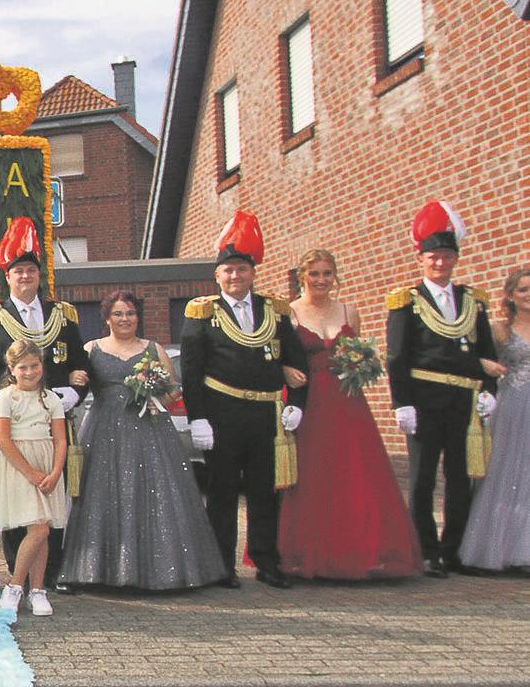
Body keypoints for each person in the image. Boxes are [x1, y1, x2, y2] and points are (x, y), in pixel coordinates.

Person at [56, 291, 226, 590]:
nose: (125, 319)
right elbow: (77, 381)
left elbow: (174, 390)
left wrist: (154, 394)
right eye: (118, 314)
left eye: (131, 313)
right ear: (107, 318)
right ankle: (98, 571)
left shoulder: (153, 348)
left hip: (150, 429)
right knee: (99, 496)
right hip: (103, 430)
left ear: (138, 317)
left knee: (158, 494)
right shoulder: (92, 348)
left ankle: (162, 569)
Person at [182, 211, 308, 590]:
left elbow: (298, 364)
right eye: (228, 271)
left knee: (264, 493)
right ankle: (222, 566)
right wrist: (197, 418)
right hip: (223, 415)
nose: (235, 277)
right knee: (221, 494)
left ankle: (267, 563)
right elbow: (191, 371)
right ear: (216, 276)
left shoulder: (275, 313)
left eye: (241, 270)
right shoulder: (202, 313)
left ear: (252, 273)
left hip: (266, 416)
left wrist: (297, 403)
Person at [276, 251, 421, 579]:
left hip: (348, 400)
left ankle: (367, 550)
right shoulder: (290, 314)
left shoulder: (349, 312)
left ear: (335, 276)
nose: (321, 280)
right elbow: (281, 355)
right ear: (302, 277)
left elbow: (357, 351)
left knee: (356, 469)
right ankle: (307, 552)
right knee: (315, 471)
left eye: (327, 273)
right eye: (314, 274)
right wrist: (285, 370)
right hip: (310, 401)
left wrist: (362, 363)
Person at [0, 217, 89, 589]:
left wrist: (75, 392)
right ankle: (14, 572)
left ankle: (51, 576)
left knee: (53, 495)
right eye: (18, 271)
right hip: (14, 424)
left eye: (30, 271)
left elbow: (80, 365)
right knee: (17, 498)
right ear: (8, 277)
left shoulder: (62, 316)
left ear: (39, 276)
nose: (25, 277)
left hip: (53, 423)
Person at [387, 202, 501, 578]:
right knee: (422, 480)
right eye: (433, 257)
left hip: (464, 405)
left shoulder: (473, 302)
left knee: (460, 477)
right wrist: (402, 402)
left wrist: (489, 390)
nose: (440, 263)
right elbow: (398, 357)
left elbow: (486, 352)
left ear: (456, 259)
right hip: (424, 400)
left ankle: (454, 550)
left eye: (447, 257)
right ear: (421, 259)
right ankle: (428, 551)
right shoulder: (407, 302)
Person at [458, 265, 529, 572]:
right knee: (508, 472)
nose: (529, 296)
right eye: (524, 290)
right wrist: (488, 367)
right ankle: (500, 547)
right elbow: (477, 360)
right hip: (513, 404)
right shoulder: (501, 330)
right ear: (511, 296)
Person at [0, 340, 69, 619]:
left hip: (46, 462)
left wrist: (55, 471)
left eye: (34, 365)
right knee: (38, 528)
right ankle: (14, 587)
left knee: (43, 528)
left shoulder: (51, 399)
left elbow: (61, 439)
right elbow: (3, 439)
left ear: (42, 365)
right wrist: (32, 473)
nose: (29, 372)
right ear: (12, 370)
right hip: (19, 465)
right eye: (22, 367)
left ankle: (37, 591)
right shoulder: (6, 397)